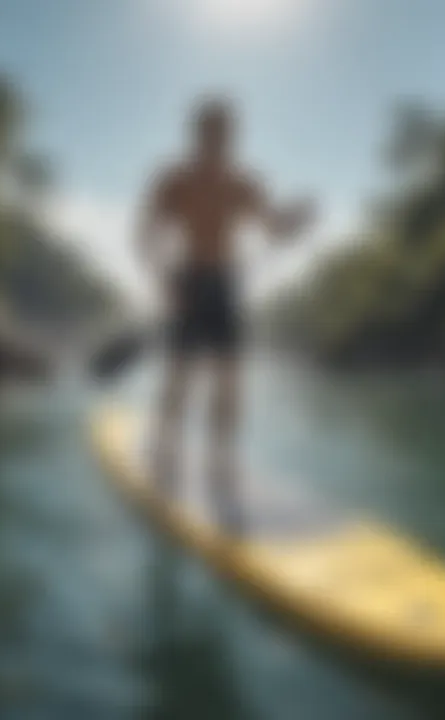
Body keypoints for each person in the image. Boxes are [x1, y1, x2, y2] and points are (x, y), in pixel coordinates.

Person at [137, 95, 315, 535]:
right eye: (211, 131)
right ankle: (167, 450)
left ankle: (222, 461)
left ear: (233, 137)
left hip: (226, 285)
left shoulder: (243, 183)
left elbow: (272, 228)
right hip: (188, 280)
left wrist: (294, 222)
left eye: (226, 132)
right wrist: (164, 281)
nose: (218, 140)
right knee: (180, 375)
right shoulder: (174, 180)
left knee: (231, 380)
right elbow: (147, 233)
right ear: (196, 134)